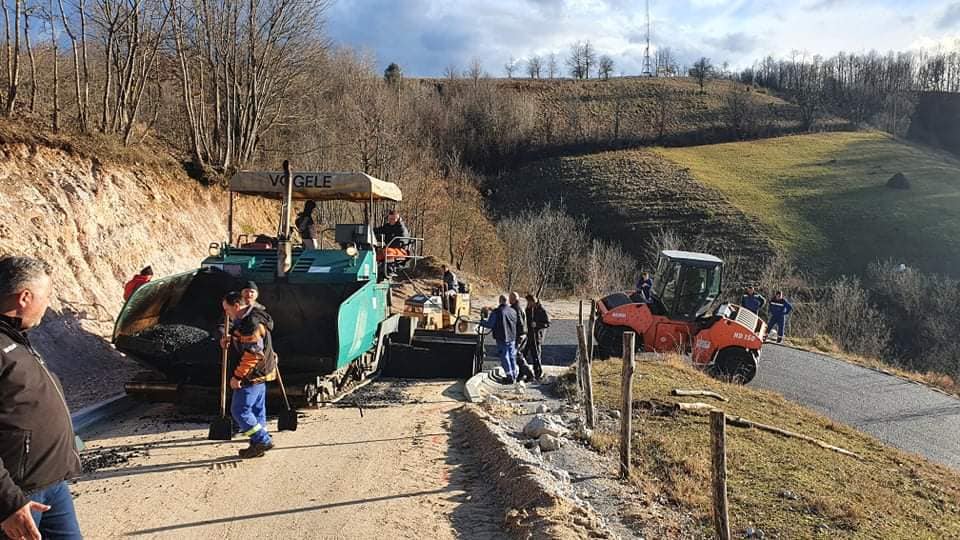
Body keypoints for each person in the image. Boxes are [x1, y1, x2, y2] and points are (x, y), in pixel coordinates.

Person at [0, 256, 82, 540]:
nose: (47, 305)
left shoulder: (16, 339)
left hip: (51, 485)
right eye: (45, 296)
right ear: (24, 297)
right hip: (17, 495)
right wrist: (8, 502)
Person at [221, 291, 278, 459]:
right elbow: (250, 341)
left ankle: (262, 440)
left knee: (240, 410)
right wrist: (232, 339)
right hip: (263, 371)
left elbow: (253, 353)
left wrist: (237, 377)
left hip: (252, 374)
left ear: (237, 306)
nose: (226, 313)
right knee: (257, 410)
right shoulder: (254, 316)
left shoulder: (250, 323)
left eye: (227, 309)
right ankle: (257, 444)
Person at [480, 295, 518, 384]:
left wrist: (481, 321)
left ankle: (509, 376)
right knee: (512, 356)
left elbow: (490, 324)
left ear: (500, 301)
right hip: (512, 337)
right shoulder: (513, 311)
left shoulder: (497, 312)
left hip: (502, 337)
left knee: (504, 356)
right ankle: (514, 374)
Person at [509, 292, 535, 382]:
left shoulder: (515, 309)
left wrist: (514, 331)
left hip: (519, 335)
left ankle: (529, 373)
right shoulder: (520, 307)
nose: (509, 300)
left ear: (513, 299)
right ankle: (522, 374)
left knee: (516, 355)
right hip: (524, 334)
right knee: (519, 354)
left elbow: (519, 322)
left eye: (510, 298)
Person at [525, 294, 551, 380]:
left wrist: (537, 325)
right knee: (523, 354)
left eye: (529, 302)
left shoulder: (541, 310)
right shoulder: (529, 309)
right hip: (529, 335)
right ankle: (524, 372)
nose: (528, 303)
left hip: (537, 336)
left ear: (533, 301)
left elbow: (547, 323)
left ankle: (538, 373)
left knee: (536, 355)